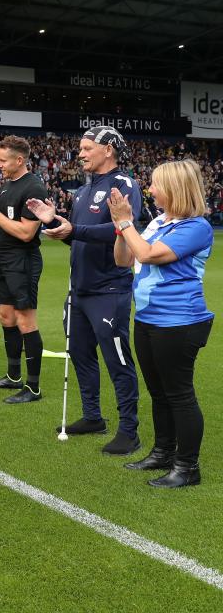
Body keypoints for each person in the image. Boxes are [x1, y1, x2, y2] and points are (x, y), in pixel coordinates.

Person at [27, 125, 142, 455]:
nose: (80, 153)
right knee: (79, 354)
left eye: (86, 148)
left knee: (117, 361)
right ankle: (93, 417)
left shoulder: (124, 186)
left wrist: (74, 229)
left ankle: (129, 431)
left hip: (109, 290)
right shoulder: (80, 193)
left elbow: (121, 229)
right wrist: (53, 222)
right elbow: (76, 239)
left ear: (108, 150)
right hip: (79, 291)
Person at [109, 160, 214, 487]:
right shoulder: (158, 221)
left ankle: (187, 467)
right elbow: (124, 259)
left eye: (155, 184)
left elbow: (150, 255)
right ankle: (163, 452)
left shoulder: (196, 227)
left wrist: (126, 223)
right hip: (148, 318)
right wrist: (120, 227)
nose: (150, 190)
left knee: (179, 394)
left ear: (175, 188)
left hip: (180, 321)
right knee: (158, 392)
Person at [0, 136, 47, 404]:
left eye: (3, 160)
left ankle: (34, 388)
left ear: (19, 160)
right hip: (3, 259)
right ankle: (13, 376)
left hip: (23, 260)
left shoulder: (34, 188)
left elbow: (27, 233)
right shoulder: (5, 188)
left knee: (25, 320)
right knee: (6, 316)